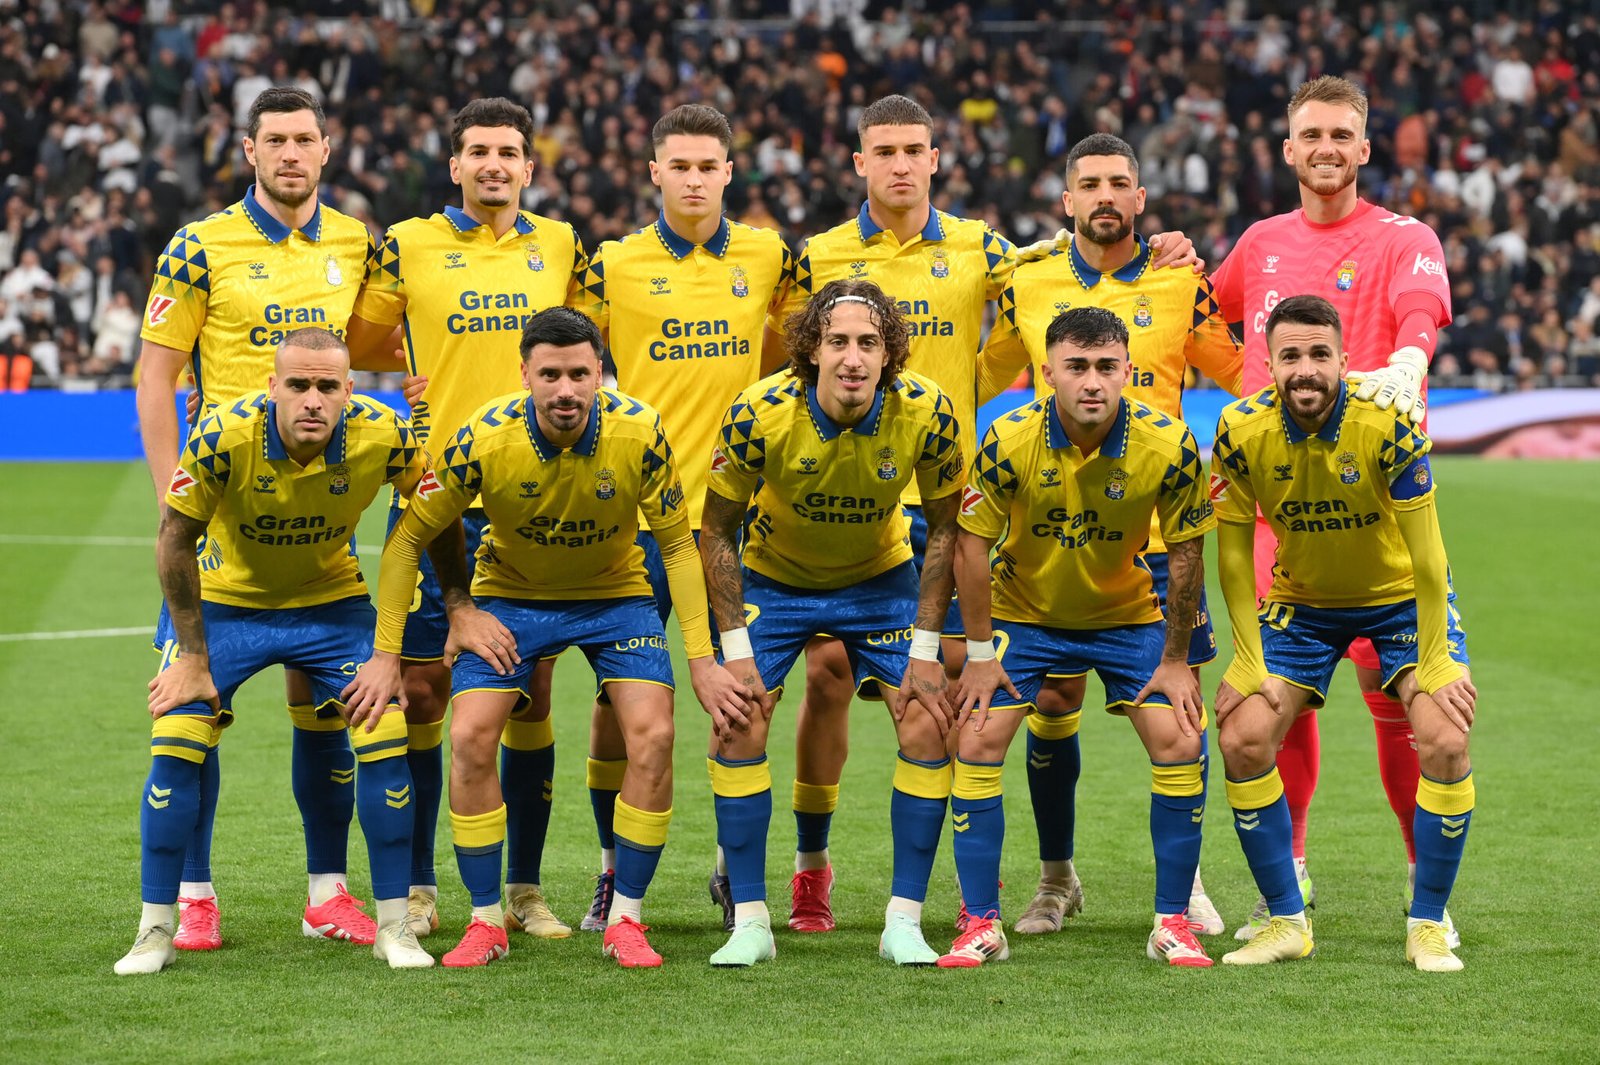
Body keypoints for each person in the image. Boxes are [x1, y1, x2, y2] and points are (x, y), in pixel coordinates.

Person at [763, 95, 1198, 933]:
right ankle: (802, 862)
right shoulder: (815, 256)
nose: (898, 163)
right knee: (820, 677)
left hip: (956, 499)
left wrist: (1161, 249)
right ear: (859, 161)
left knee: (979, 695)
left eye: (913, 149)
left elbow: (1069, 279)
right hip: (835, 492)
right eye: (882, 150)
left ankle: (997, 890)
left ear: (935, 159)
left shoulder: (989, 250)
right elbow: (776, 347)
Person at [342, 307, 752, 969]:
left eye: (581, 374)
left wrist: (702, 660)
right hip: (513, 597)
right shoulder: (483, 436)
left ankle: (627, 918)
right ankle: (485, 920)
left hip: (616, 596)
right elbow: (409, 536)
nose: (567, 389)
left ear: (600, 374)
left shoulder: (639, 431)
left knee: (653, 732)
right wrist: (406, 642)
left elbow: (678, 541)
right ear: (525, 373)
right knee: (472, 734)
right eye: (552, 374)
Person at [134, 86, 385, 952]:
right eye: (274, 139)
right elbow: (156, 375)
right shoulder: (200, 245)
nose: (289, 153)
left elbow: (375, 349)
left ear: (326, 149)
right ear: (249, 150)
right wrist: (177, 499)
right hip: (222, 509)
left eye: (303, 139)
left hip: (314, 507)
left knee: (327, 709)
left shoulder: (357, 241)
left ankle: (328, 891)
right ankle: (194, 894)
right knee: (193, 705)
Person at [974, 132, 1241, 937]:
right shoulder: (1028, 281)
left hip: (1164, 539)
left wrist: (1247, 456)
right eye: (1088, 183)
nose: (1104, 195)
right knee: (1050, 703)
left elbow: (1241, 368)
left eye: (1119, 183)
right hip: (1057, 537)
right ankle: (1057, 878)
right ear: (1066, 201)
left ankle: (1183, 886)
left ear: (1140, 199)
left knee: (1178, 712)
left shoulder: (1179, 281)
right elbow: (979, 367)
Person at [1209, 76, 1457, 941]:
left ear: (1362, 147)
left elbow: (1422, 309)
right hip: (1277, 498)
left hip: (1374, 499)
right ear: (1288, 148)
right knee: (1279, 695)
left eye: (1340, 133)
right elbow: (1215, 308)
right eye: (1309, 132)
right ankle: (1295, 869)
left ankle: (1429, 883)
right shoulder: (1262, 241)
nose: (1324, 146)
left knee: (1391, 686)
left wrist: (1412, 360)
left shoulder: (1402, 236)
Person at [114, 329, 433, 975]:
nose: (312, 399)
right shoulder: (224, 434)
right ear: (272, 387)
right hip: (226, 605)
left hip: (330, 605)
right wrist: (194, 657)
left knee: (384, 727)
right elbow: (174, 538)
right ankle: (155, 928)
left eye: (327, 386)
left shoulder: (388, 432)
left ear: (349, 391)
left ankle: (397, 926)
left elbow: (434, 518)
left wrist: (439, 614)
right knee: (177, 732)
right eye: (298, 385)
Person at [346, 97, 588, 944]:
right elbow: (360, 337)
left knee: (530, 694)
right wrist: (411, 377)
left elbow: (591, 352)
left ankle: (523, 887)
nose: (495, 163)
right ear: (454, 165)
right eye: (479, 150)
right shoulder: (407, 243)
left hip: (535, 501)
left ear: (530, 166)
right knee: (420, 690)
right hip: (437, 492)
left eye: (510, 151)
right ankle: (416, 885)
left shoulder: (560, 244)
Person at [572, 103, 793, 934]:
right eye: (680, 166)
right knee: (614, 703)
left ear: (729, 173)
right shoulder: (613, 263)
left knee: (746, 696)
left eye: (710, 166)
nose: (695, 179)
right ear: (655, 172)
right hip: (638, 521)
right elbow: (562, 356)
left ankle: (739, 875)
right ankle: (608, 872)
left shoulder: (767, 254)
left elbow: (793, 349)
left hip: (736, 524)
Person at [699, 279, 964, 968]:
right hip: (776, 580)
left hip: (879, 582)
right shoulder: (758, 412)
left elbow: (945, 531)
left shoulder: (928, 412)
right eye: (838, 341)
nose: (852, 357)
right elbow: (716, 533)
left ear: (890, 354)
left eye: (869, 343)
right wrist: (732, 651)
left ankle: (903, 919)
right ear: (811, 349)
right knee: (738, 713)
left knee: (929, 717)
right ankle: (750, 918)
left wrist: (930, 649)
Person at [1209, 295, 1475, 972]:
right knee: (1241, 735)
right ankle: (1285, 919)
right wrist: (1244, 660)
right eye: (1291, 356)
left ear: (1343, 360)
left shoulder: (1388, 422)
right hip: (1302, 604)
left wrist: (1439, 658)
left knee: (1444, 734)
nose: (1305, 370)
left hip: (1399, 604)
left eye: (1319, 355)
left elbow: (1429, 557)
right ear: (1268, 364)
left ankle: (1429, 920)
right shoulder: (1239, 430)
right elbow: (1236, 558)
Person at [948, 307, 1216, 969]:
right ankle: (981, 923)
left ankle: (1173, 921)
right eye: (1076, 367)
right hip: (1027, 617)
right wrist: (980, 655)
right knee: (975, 734)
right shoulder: (1008, 437)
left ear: (1127, 370)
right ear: (1048, 374)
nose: (1091, 382)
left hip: (1127, 619)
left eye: (1105, 367)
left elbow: (1185, 553)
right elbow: (970, 547)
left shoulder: (1169, 441)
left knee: (1182, 735)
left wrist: (1178, 659)